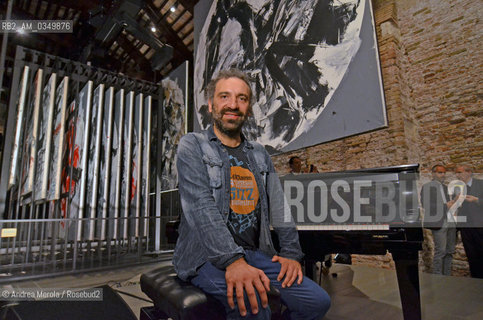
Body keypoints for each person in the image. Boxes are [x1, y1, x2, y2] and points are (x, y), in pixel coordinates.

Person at [173, 69, 330, 319]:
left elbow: (279, 205)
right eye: (225, 96)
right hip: (204, 256)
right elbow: (200, 207)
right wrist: (233, 262)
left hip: (255, 253)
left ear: (248, 107)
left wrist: (290, 253)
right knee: (255, 306)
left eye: (242, 98)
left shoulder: (259, 153)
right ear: (211, 104)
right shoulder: (192, 145)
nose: (233, 105)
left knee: (317, 302)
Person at [420, 165, 458, 275]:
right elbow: (426, 205)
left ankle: (447, 276)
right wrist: (445, 205)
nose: (443, 175)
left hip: (450, 221)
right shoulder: (427, 187)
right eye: (440, 172)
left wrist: (455, 202)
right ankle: (438, 278)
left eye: (444, 173)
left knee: (450, 251)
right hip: (438, 222)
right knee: (440, 252)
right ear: (433, 173)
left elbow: (450, 205)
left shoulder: (446, 188)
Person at [455, 164, 483, 278]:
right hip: (465, 227)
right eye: (457, 172)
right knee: (471, 255)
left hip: (480, 226)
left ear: (469, 172)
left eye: (460, 172)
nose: (458, 175)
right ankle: (475, 280)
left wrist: (476, 200)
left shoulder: (480, 184)